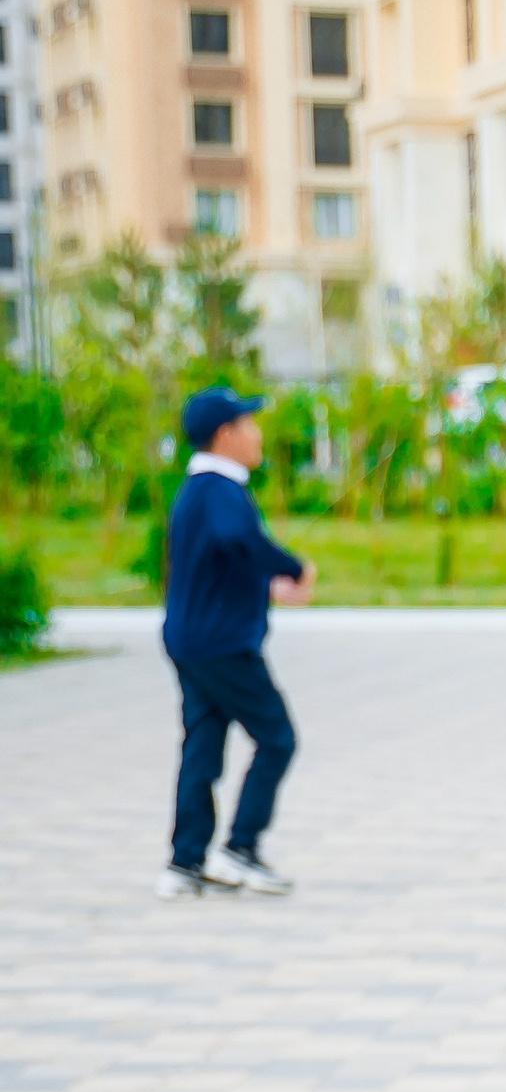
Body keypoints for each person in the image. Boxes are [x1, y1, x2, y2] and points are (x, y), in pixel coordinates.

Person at [157, 384, 312, 901]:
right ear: (226, 435)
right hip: (222, 644)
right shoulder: (221, 491)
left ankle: (184, 863)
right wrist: (292, 568)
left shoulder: (197, 490)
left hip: (191, 639)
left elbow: (219, 563)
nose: (257, 434)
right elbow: (237, 542)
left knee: (202, 745)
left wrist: (267, 584)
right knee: (277, 738)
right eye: (248, 425)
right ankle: (239, 849)